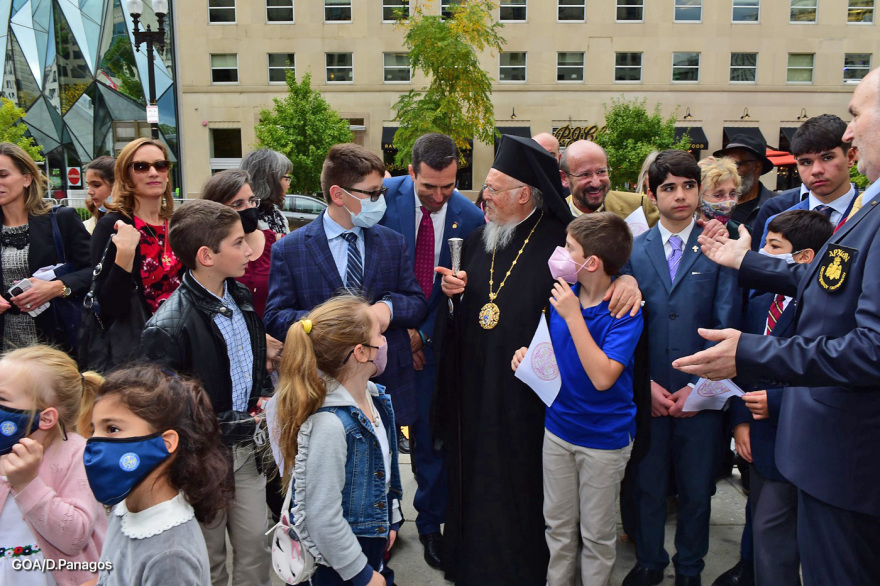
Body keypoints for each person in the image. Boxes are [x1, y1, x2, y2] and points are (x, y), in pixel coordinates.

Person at [674, 67, 880, 586]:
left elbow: (872, 349)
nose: (849, 133)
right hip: (827, 455)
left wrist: (751, 353)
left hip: (848, 459)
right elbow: (830, 277)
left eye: (856, 115)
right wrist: (746, 263)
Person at [434, 135, 641, 585]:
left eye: (493, 189)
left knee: (534, 495)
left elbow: (601, 271)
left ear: (524, 193)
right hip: (477, 387)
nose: (482, 198)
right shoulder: (474, 240)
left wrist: (628, 279)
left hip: (533, 397)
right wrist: (452, 297)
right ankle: (473, 560)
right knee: (477, 474)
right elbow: (467, 316)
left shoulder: (559, 244)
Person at [619, 150, 741, 586]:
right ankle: (650, 560)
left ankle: (690, 566)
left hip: (699, 393)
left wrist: (700, 388)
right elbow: (623, 327)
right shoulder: (633, 250)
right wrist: (642, 385)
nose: (681, 196)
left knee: (695, 491)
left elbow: (728, 322)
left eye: (689, 186)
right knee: (647, 486)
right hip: (649, 392)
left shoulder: (716, 248)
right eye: (669, 187)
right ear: (652, 193)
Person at [139, 199, 273, 586]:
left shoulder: (241, 298)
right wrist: (234, 423)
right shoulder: (168, 327)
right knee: (208, 555)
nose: (250, 250)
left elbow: (253, 360)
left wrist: (261, 394)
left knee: (254, 546)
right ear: (206, 256)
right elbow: (166, 414)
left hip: (246, 453)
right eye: (238, 243)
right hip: (200, 462)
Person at [511, 212, 643, 586]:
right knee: (558, 526)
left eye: (569, 248)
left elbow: (603, 377)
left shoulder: (623, 310)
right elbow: (556, 352)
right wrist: (529, 355)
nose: (560, 253)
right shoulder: (563, 296)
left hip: (603, 440)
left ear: (591, 262)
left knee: (597, 535)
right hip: (558, 430)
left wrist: (574, 318)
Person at [264, 143, 427, 436]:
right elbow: (277, 317)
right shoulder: (290, 249)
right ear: (338, 194)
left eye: (382, 192)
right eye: (372, 193)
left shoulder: (392, 242)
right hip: (319, 387)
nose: (379, 200)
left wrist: (385, 310)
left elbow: (416, 302)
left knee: (384, 478)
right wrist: (333, 323)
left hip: (384, 386)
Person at [378, 132, 484, 569]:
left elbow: (464, 289)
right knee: (379, 436)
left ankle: (430, 524)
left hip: (435, 345)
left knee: (430, 440)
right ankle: (381, 520)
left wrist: (423, 335)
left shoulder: (470, 216)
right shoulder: (380, 199)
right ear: (410, 173)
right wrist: (400, 337)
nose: (439, 196)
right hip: (382, 342)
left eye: (449, 185)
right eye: (429, 187)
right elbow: (372, 272)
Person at [714, 210, 834, 586]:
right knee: (761, 526)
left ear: (804, 259)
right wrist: (741, 420)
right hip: (760, 442)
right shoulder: (761, 301)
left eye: (773, 247)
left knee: (776, 537)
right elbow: (743, 370)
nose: (762, 254)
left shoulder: (822, 313)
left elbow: (830, 373)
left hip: (801, 442)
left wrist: (777, 403)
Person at [274, 295, 402, 586]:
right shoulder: (330, 425)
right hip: (340, 566)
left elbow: (383, 474)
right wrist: (362, 574)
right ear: (361, 352)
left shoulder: (376, 401)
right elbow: (322, 518)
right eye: (379, 335)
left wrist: (390, 519)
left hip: (372, 546)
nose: (384, 343)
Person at [83, 366, 234, 586]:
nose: (93, 443)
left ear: (165, 443)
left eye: (112, 428)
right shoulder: (127, 505)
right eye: (93, 429)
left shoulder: (171, 556)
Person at [0, 345, 106, 586]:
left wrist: (27, 483)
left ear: (46, 417)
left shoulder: (78, 454)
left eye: (2, 399)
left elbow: (74, 537)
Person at [88, 138, 183, 370]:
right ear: (126, 175)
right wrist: (125, 256)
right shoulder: (113, 225)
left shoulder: (179, 223)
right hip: (138, 354)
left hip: (182, 344)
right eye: (141, 166)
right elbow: (109, 307)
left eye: (160, 165)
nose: (153, 172)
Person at [0, 142, 92, 355]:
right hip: (5, 352)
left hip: (53, 345)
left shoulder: (61, 219)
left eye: (3, 175)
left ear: (27, 178)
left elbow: (94, 269)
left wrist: (58, 287)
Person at [751, 114, 859, 251]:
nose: (816, 170)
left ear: (850, 157)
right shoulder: (776, 219)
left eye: (827, 158)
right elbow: (762, 270)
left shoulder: (870, 215)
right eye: (806, 162)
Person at [560, 140, 660, 226]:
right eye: (585, 174)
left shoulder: (641, 206)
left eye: (601, 172)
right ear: (564, 178)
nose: (596, 183)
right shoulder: (553, 219)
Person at [712, 134, 775, 234]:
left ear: (756, 167)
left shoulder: (775, 206)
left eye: (735, 165)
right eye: (725, 165)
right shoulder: (713, 203)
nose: (729, 171)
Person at [240, 149, 292, 235]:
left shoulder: (277, 215)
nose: (288, 185)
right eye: (286, 179)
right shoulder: (247, 220)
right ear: (270, 181)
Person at [697, 157, 741, 228]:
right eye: (718, 195)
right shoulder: (682, 234)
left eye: (732, 194)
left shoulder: (744, 235)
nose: (728, 202)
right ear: (698, 198)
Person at [83, 156, 115, 234]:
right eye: (88, 186)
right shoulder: (86, 226)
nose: (89, 192)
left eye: (96, 185)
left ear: (116, 186)